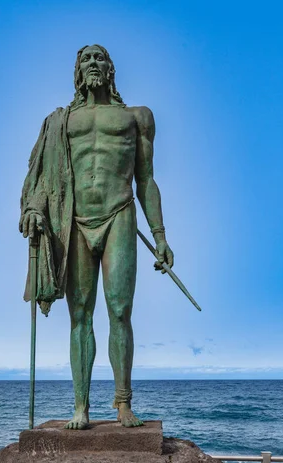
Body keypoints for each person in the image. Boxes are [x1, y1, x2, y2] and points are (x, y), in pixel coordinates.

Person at [19, 45, 174, 429]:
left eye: (99, 58)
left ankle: (123, 403)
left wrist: (160, 235)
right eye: (85, 59)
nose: (93, 64)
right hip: (75, 222)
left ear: (110, 68)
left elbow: (146, 179)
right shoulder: (61, 122)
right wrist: (36, 209)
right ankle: (81, 407)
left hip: (119, 213)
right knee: (80, 315)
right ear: (77, 71)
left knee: (120, 311)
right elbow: (43, 177)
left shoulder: (137, 118)